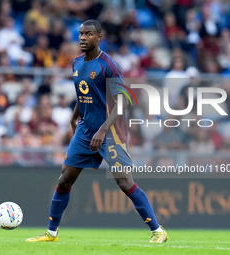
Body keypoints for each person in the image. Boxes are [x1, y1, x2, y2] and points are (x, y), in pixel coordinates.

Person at [25, 20, 168, 244]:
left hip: (110, 131)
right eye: (81, 34)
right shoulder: (76, 63)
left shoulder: (108, 66)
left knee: (124, 182)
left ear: (99, 37)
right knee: (65, 178)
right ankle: (51, 233)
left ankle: (157, 230)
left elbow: (122, 103)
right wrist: (75, 115)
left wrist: (102, 130)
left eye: (88, 34)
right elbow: (84, 93)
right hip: (86, 129)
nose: (83, 38)